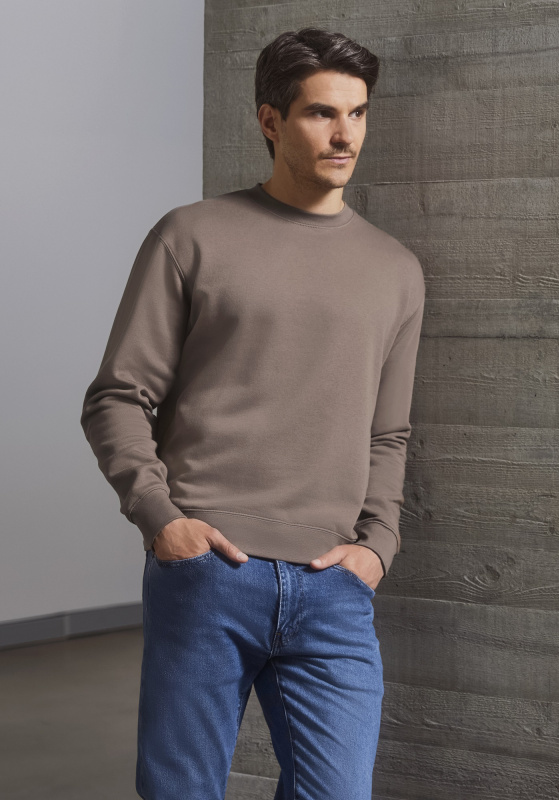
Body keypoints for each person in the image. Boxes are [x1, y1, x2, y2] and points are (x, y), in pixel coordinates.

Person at [80, 26, 425, 800]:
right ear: (271, 121)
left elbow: (389, 432)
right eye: (321, 113)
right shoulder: (191, 236)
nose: (345, 135)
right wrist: (163, 520)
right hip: (209, 572)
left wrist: (379, 545)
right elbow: (117, 397)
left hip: (334, 586)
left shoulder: (396, 270)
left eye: (358, 113)